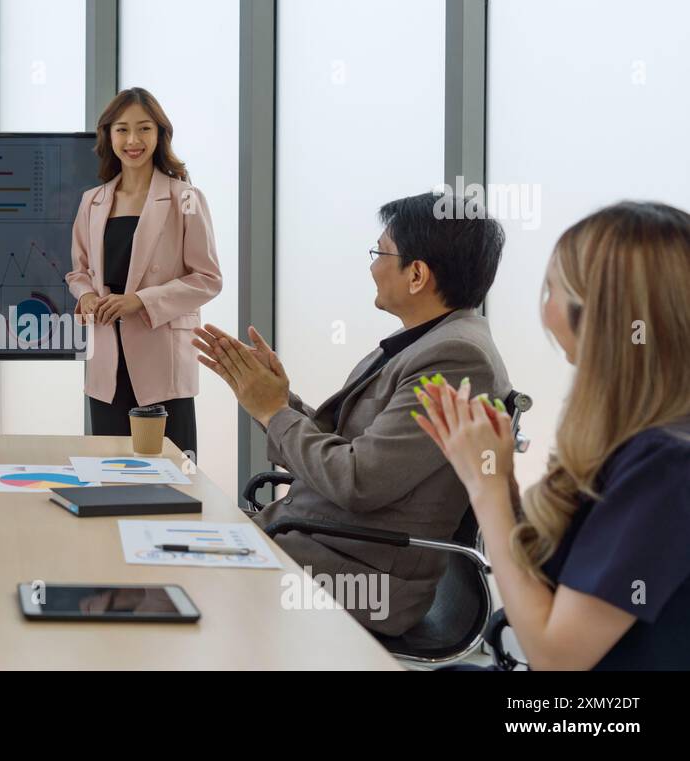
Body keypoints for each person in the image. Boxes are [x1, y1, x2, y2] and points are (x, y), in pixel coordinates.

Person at [193, 192, 508, 635]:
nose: (372, 266)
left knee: (174, 572)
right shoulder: (424, 342)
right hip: (322, 544)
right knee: (169, 541)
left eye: (381, 252)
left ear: (417, 274)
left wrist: (272, 412)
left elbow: (358, 481)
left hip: (363, 576)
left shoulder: (455, 359)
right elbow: (340, 445)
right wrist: (277, 401)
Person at [415, 201, 690, 669]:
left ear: (598, 313)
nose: (544, 310)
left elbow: (557, 657)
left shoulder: (666, 467)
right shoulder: (642, 445)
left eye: (552, 291)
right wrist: (499, 480)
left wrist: (486, 491)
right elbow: (557, 585)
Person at [66, 87, 222, 460]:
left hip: (161, 355)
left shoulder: (185, 197)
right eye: (122, 130)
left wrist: (140, 301)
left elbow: (207, 278)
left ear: (159, 134)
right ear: (109, 136)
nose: (132, 140)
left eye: (144, 129)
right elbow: (79, 270)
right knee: (111, 470)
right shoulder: (93, 200)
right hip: (107, 356)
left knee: (173, 473)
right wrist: (86, 295)